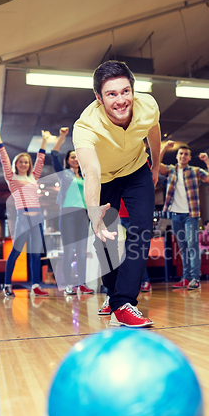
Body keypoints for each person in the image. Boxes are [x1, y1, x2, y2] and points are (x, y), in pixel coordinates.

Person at [73, 60, 161, 327]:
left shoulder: (148, 105)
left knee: (142, 228)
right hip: (104, 178)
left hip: (136, 169)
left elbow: (153, 131)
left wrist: (155, 165)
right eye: (112, 94)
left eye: (125, 91)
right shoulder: (85, 127)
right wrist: (92, 210)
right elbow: (91, 171)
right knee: (105, 236)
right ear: (99, 98)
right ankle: (112, 296)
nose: (121, 100)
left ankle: (123, 304)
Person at [0, 121, 49, 297]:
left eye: (27, 162)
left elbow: (41, 159)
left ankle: (35, 285)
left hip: (37, 218)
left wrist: (44, 141)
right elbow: (3, 156)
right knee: (16, 251)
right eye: (21, 162)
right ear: (16, 164)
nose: (25, 164)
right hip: (24, 217)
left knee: (36, 254)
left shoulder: (33, 177)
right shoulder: (11, 177)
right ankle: (7, 284)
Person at [159, 142, 209, 290]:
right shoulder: (171, 170)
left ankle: (195, 279)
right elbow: (156, 166)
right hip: (175, 215)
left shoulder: (195, 171)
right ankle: (185, 278)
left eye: (186, 154)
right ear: (177, 156)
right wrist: (164, 148)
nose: (183, 156)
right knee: (183, 248)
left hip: (191, 215)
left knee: (192, 246)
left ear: (190, 157)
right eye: (181, 154)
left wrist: (207, 161)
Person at [50, 127, 94, 296]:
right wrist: (62, 137)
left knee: (82, 252)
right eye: (72, 157)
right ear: (67, 161)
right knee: (69, 251)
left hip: (83, 215)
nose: (75, 159)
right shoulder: (64, 174)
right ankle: (68, 284)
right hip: (67, 214)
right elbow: (53, 156)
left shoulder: (85, 176)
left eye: (77, 157)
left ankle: (82, 284)